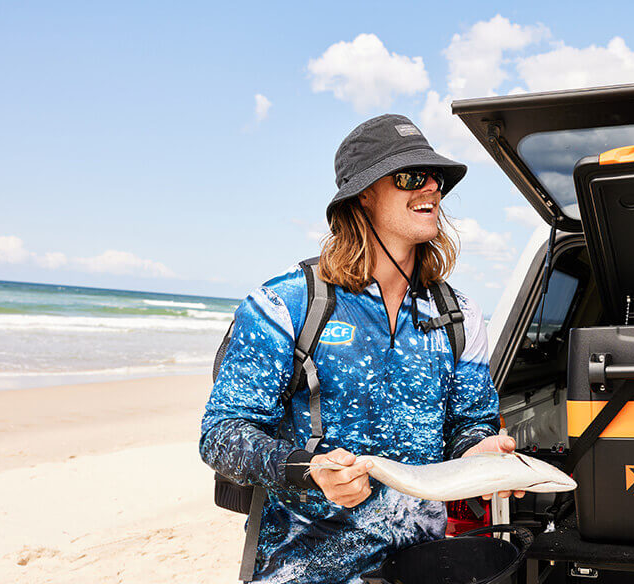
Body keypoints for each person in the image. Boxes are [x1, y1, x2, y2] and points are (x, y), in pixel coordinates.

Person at [200, 114, 520, 583]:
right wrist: (310, 471)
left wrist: (478, 451)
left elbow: (468, 424)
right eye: (412, 176)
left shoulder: (460, 315)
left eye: (438, 179)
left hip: (420, 568)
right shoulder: (286, 303)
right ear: (362, 195)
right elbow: (221, 435)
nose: (431, 187)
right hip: (302, 570)